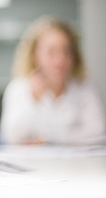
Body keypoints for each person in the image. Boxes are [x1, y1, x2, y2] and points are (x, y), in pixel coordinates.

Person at [1, 15, 106, 145]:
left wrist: (47, 139)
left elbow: (98, 134)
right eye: (51, 52)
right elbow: (12, 137)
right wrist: (33, 99)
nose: (60, 60)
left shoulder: (85, 87)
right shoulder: (18, 88)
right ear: (35, 55)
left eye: (66, 51)